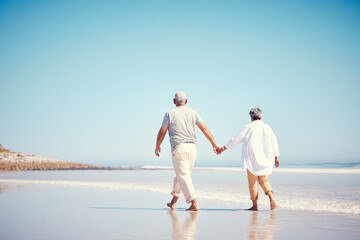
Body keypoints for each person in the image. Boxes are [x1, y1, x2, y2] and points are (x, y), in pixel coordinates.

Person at [155, 91, 220, 211]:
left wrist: (157, 146)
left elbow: (162, 132)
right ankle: (173, 202)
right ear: (186, 101)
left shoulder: (169, 113)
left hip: (179, 148)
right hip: (192, 148)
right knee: (183, 176)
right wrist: (214, 144)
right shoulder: (194, 113)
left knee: (183, 176)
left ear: (174, 102)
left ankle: (194, 203)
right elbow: (204, 129)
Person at [216, 107, 280, 210]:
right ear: (261, 116)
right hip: (266, 157)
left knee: (253, 182)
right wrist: (276, 157)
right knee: (264, 180)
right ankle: (271, 198)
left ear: (251, 117)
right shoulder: (267, 127)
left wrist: (222, 148)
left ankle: (255, 206)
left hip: (252, 158)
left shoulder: (248, 127)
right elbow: (274, 141)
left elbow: (235, 139)